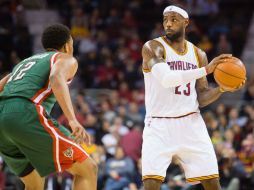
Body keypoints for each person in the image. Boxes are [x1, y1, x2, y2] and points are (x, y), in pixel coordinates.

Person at [141, 5, 245, 190]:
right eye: (165, 19)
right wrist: (207, 70)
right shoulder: (153, 47)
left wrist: (221, 88)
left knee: (213, 183)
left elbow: (202, 97)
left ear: (186, 22)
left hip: (191, 123)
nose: (168, 23)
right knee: (151, 184)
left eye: (174, 19)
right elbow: (167, 79)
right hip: (159, 125)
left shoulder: (198, 54)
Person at [0, 24, 97, 190]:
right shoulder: (64, 58)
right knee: (88, 169)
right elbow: (56, 77)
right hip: (25, 112)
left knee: (34, 184)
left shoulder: (24, 63)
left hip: (2, 119)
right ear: (67, 45)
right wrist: (72, 120)